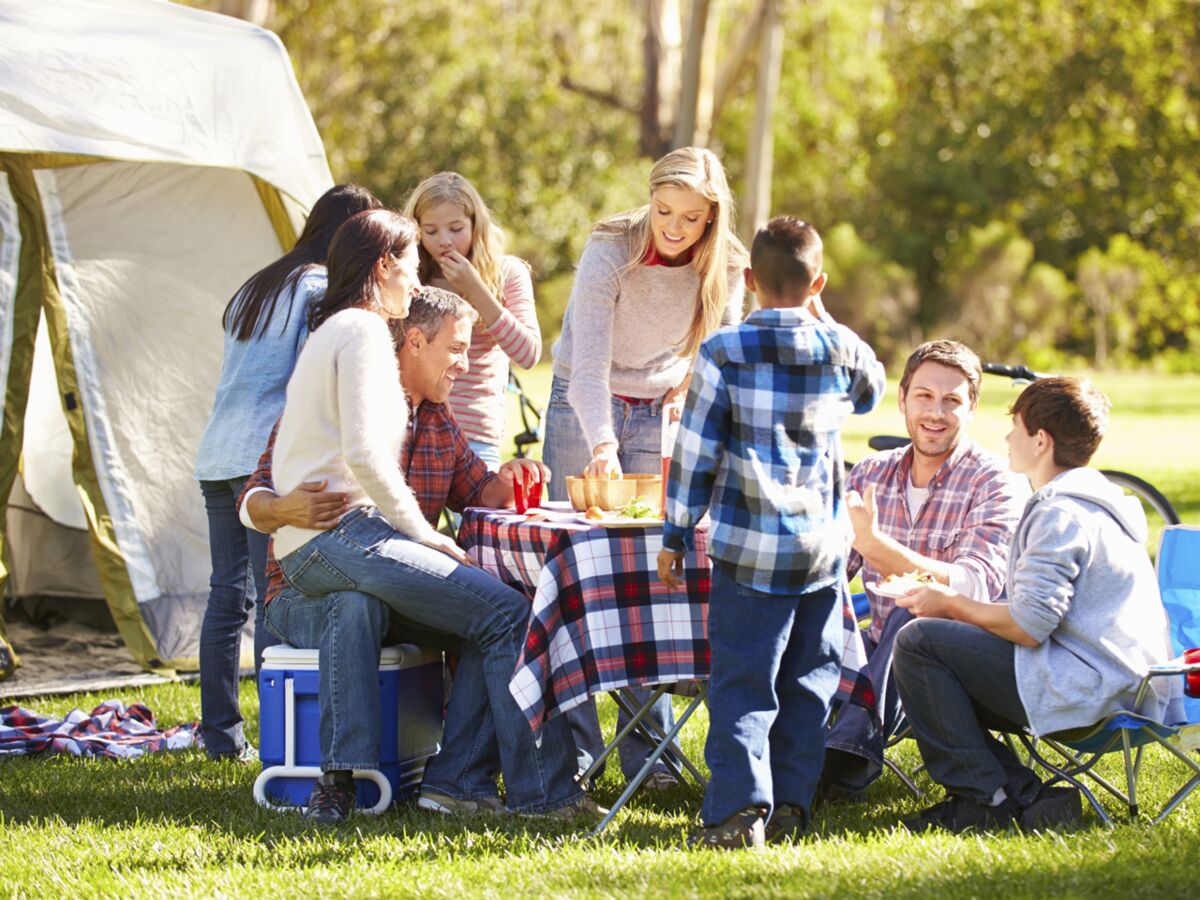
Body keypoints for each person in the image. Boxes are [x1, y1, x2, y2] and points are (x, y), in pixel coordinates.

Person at [251, 210, 590, 823]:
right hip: (339, 537)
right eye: (410, 265)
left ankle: (450, 781)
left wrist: (499, 486)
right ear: (384, 266)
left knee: (490, 620)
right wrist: (423, 535)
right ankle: (545, 796)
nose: (416, 278)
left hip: (334, 544)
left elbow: (461, 482)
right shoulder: (358, 331)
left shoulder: (356, 343)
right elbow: (362, 455)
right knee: (509, 614)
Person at [658, 216, 886, 849]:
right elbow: (874, 390)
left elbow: (695, 454)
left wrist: (675, 536)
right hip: (820, 553)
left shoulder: (724, 351)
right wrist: (824, 312)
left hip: (748, 554)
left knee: (741, 684)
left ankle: (738, 815)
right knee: (809, 685)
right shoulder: (839, 350)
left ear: (749, 279)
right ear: (819, 282)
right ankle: (791, 807)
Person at [544, 145, 749, 789]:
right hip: (584, 397)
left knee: (642, 573)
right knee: (572, 566)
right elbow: (588, 361)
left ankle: (649, 756)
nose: (674, 227)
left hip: (657, 402)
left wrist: (685, 391)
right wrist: (601, 440)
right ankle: (574, 757)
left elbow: (718, 358)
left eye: (691, 218)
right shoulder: (612, 245)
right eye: (664, 210)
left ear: (712, 219)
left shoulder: (728, 266)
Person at [893, 377, 1182, 833]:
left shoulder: (1060, 514)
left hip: (1094, 692)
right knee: (940, 658)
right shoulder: (1099, 503)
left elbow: (1028, 626)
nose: (1008, 439)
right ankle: (1021, 795)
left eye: (1017, 429)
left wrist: (950, 603)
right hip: (1129, 684)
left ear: (1040, 441)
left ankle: (988, 798)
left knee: (918, 643)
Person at [192, 183, 381, 761]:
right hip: (263, 464)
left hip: (217, 454)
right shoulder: (319, 288)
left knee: (228, 599)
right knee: (277, 595)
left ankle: (221, 737)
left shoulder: (259, 283)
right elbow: (309, 381)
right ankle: (284, 738)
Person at [819, 340, 1029, 799]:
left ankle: (839, 755)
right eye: (924, 396)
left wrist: (876, 544)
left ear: (972, 408)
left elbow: (972, 585)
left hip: (965, 654)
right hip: (877, 653)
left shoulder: (997, 481)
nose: (935, 412)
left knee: (914, 613)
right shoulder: (871, 473)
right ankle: (783, 751)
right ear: (902, 400)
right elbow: (831, 565)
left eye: (952, 400)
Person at [404, 172, 540, 471]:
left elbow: (528, 354)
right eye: (431, 231)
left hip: (476, 434)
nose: (444, 241)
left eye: (455, 229)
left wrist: (477, 289)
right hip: (413, 430)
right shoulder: (412, 277)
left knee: (482, 514)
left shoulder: (507, 273)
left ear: (476, 225)